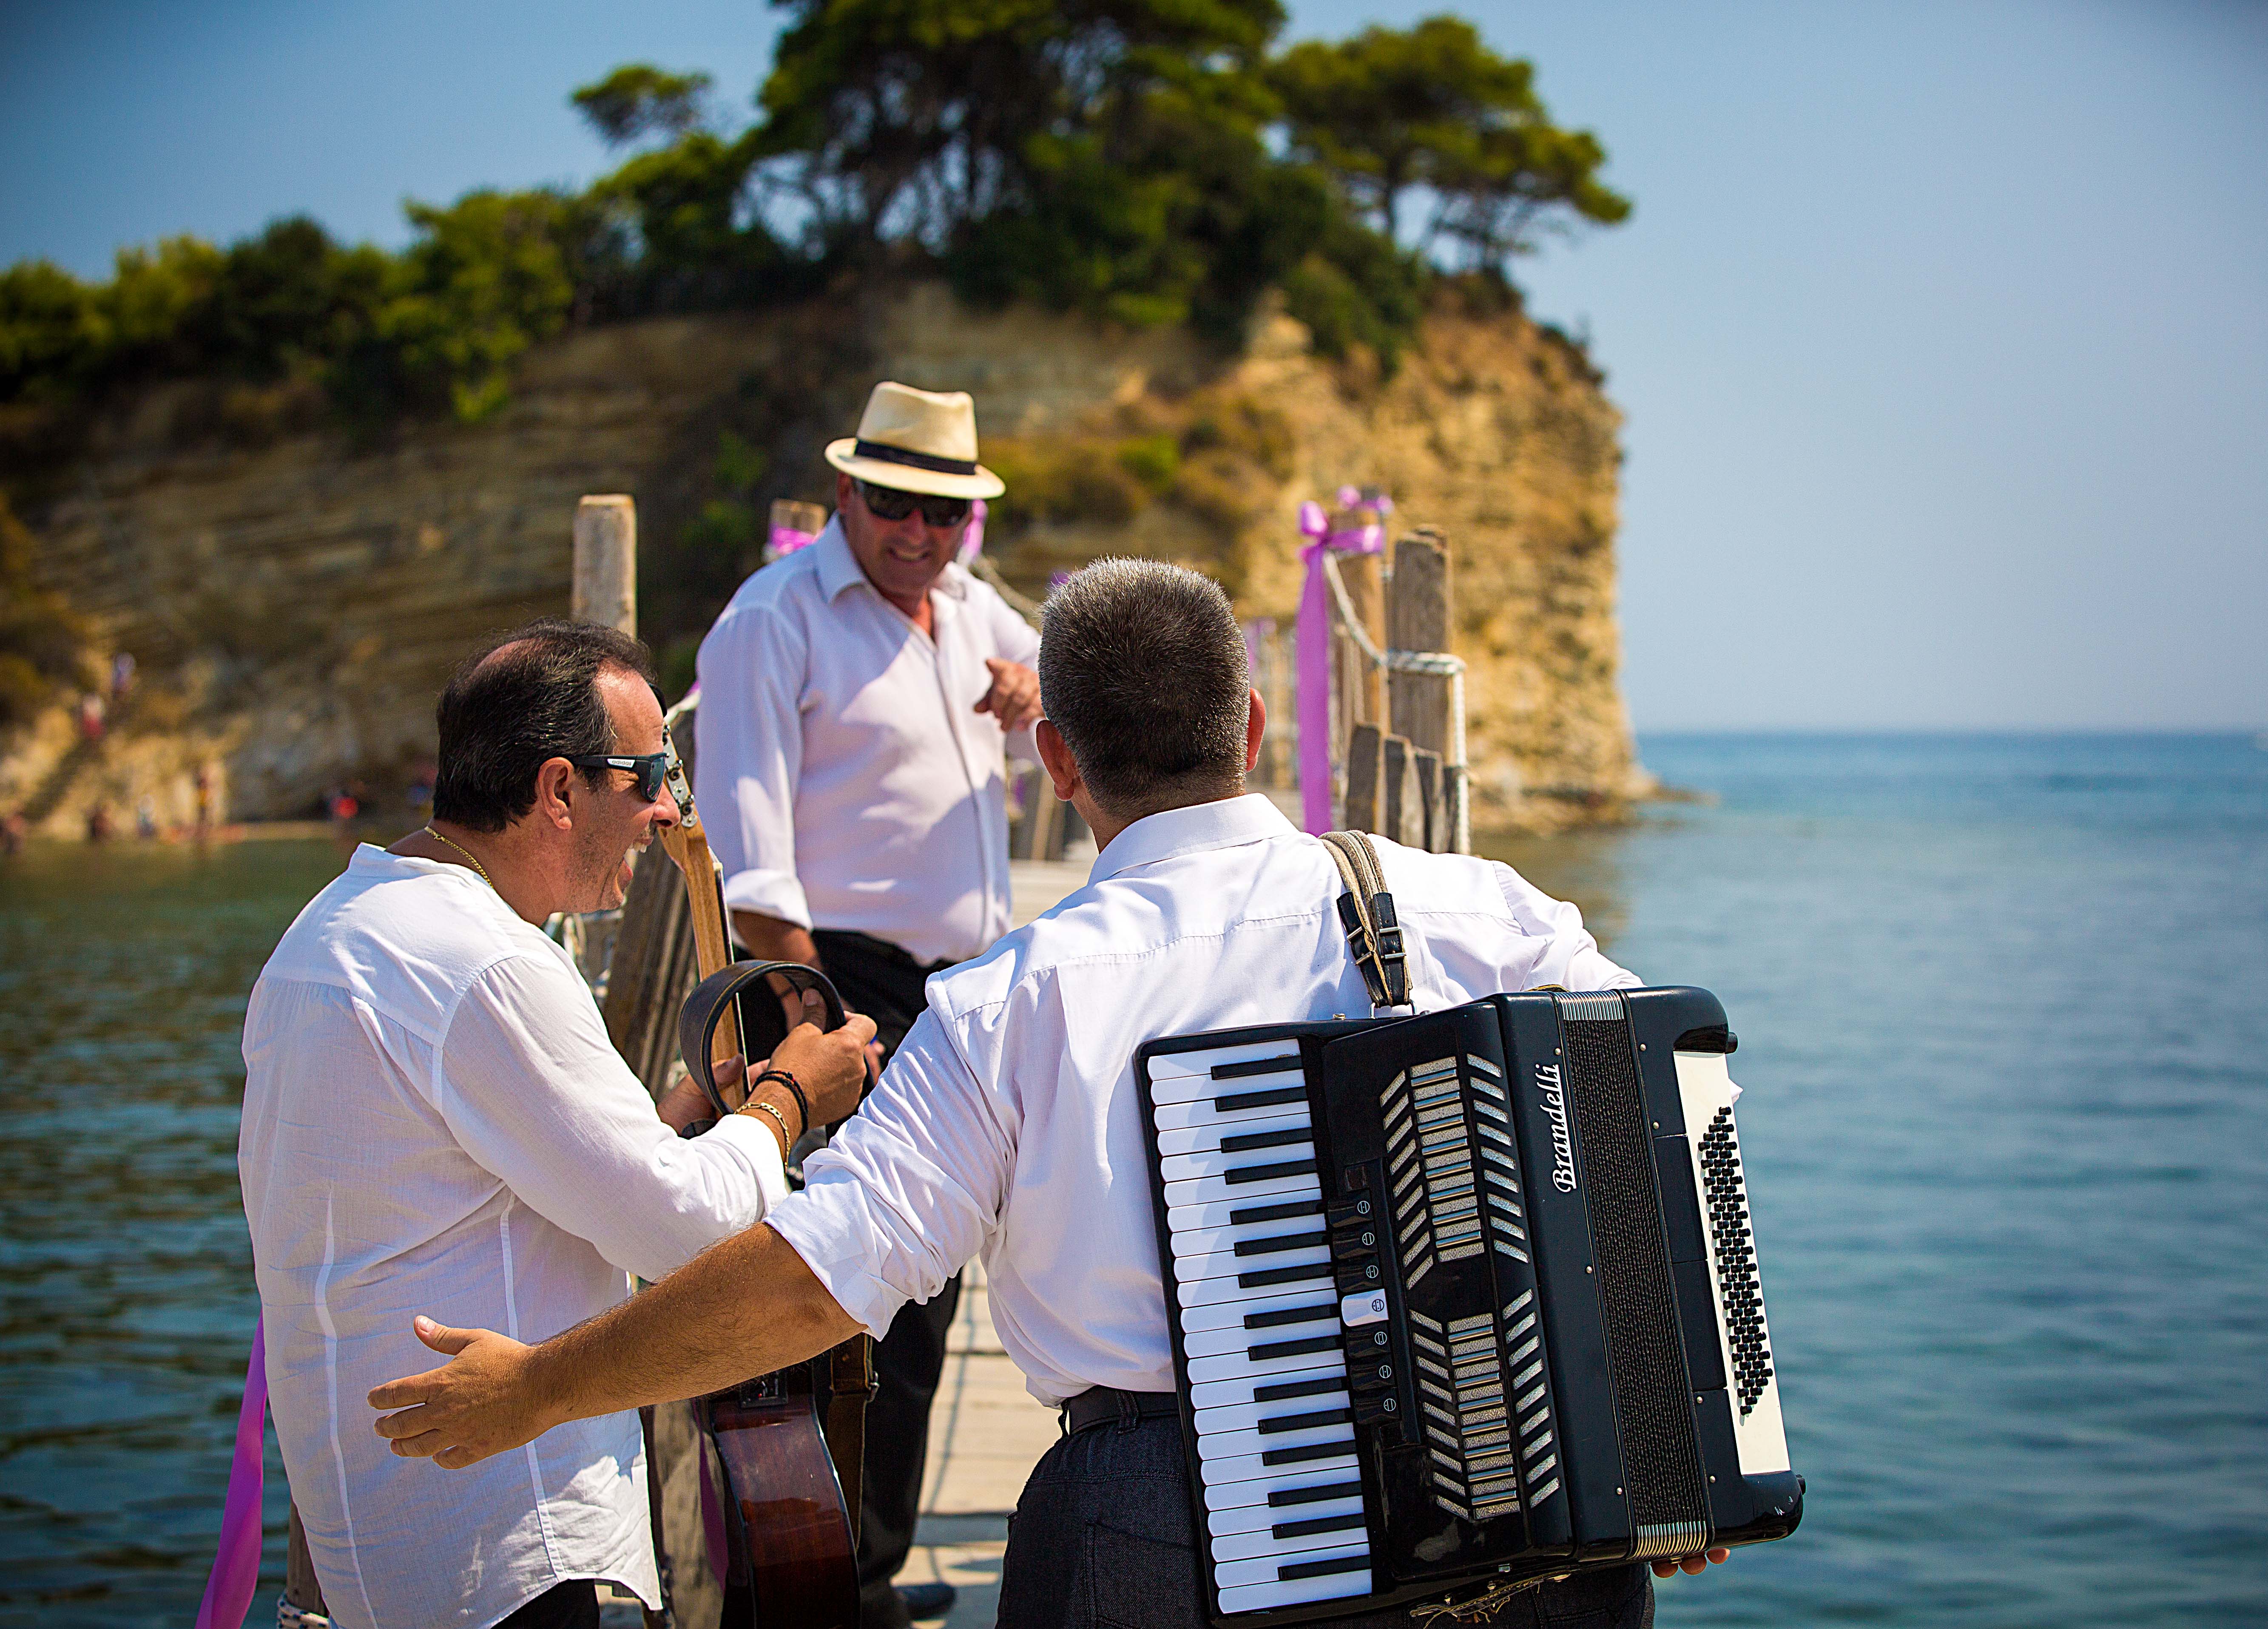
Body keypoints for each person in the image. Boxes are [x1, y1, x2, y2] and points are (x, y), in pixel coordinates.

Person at [370, 563, 1730, 1627]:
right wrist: (1664, 1440)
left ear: (1056, 761)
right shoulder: (1472, 905)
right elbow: (1656, 1110)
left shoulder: (1003, 1007)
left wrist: (541, 1388)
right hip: (1514, 1500)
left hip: (1161, 1529)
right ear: (1249, 727)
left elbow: (809, 1287)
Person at [239, 618, 875, 1629]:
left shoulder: (329, 932)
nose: (668, 810)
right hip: (497, 1544)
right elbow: (688, 1229)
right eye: (651, 772)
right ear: (559, 789)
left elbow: (472, 1180)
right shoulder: (489, 962)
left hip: (379, 1542)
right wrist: (790, 1096)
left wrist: (684, 1114)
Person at [692, 378, 1040, 1626]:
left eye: (946, 512)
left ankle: (868, 1576)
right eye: (895, 503)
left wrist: (1024, 684)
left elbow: (1057, 671)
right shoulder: (769, 621)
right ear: (847, 491)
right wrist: (808, 1019)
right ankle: (794, 1594)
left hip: (956, 989)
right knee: (823, 1298)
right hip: (834, 979)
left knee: (924, 1292)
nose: (919, 531)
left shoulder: (964, 604)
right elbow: (747, 854)